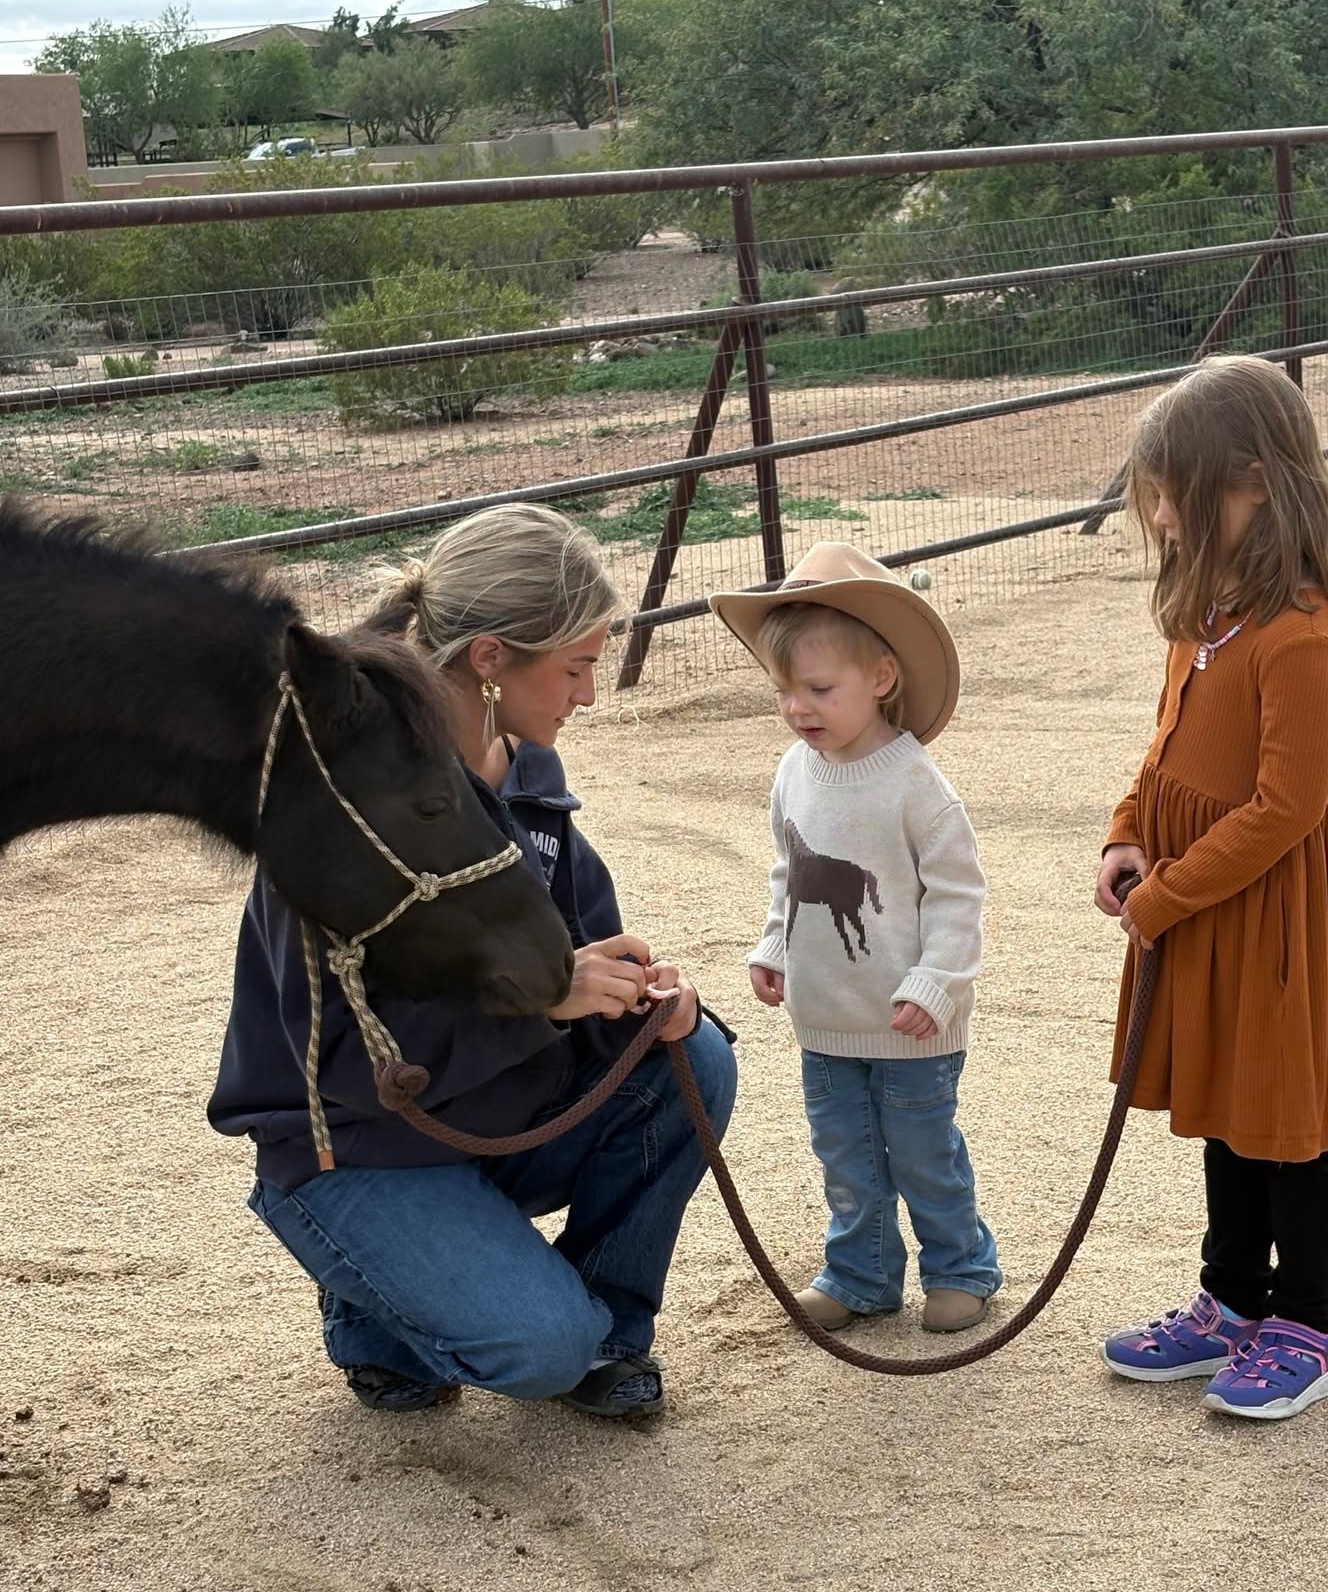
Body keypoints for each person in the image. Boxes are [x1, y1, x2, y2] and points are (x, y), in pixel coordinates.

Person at [209, 503, 737, 1420]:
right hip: (362, 1145)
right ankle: (372, 1309)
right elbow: (339, 1050)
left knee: (695, 1060)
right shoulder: (344, 806)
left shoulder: (525, 771)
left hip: (499, 1115)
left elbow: (576, 948)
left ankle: (607, 1335)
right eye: (576, 667)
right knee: (536, 1351)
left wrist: (640, 997)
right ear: (490, 659)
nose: (589, 694)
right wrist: (545, 1000)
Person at [1096, 355, 1328, 1421]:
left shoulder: (1300, 635)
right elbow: (1163, 752)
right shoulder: (1199, 613)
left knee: (1285, 1121)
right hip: (1197, 905)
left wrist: (1163, 896)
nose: (1162, 517)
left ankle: (1306, 1321)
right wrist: (1129, 834)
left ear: (1256, 480)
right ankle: (1230, 1297)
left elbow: (1283, 808)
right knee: (1225, 1105)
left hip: (1267, 920)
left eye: (1177, 491)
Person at [711, 541, 1001, 1335]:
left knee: (920, 1154)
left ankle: (962, 1268)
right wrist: (775, 946)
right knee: (843, 1155)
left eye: (818, 688)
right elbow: (787, 873)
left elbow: (957, 893)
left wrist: (937, 981)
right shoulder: (793, 773)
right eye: (784, 691)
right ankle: (861, 1274)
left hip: (911, 1023)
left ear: (881, 679)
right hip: (826, 1018)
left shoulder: (915, 784)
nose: (798, 708)